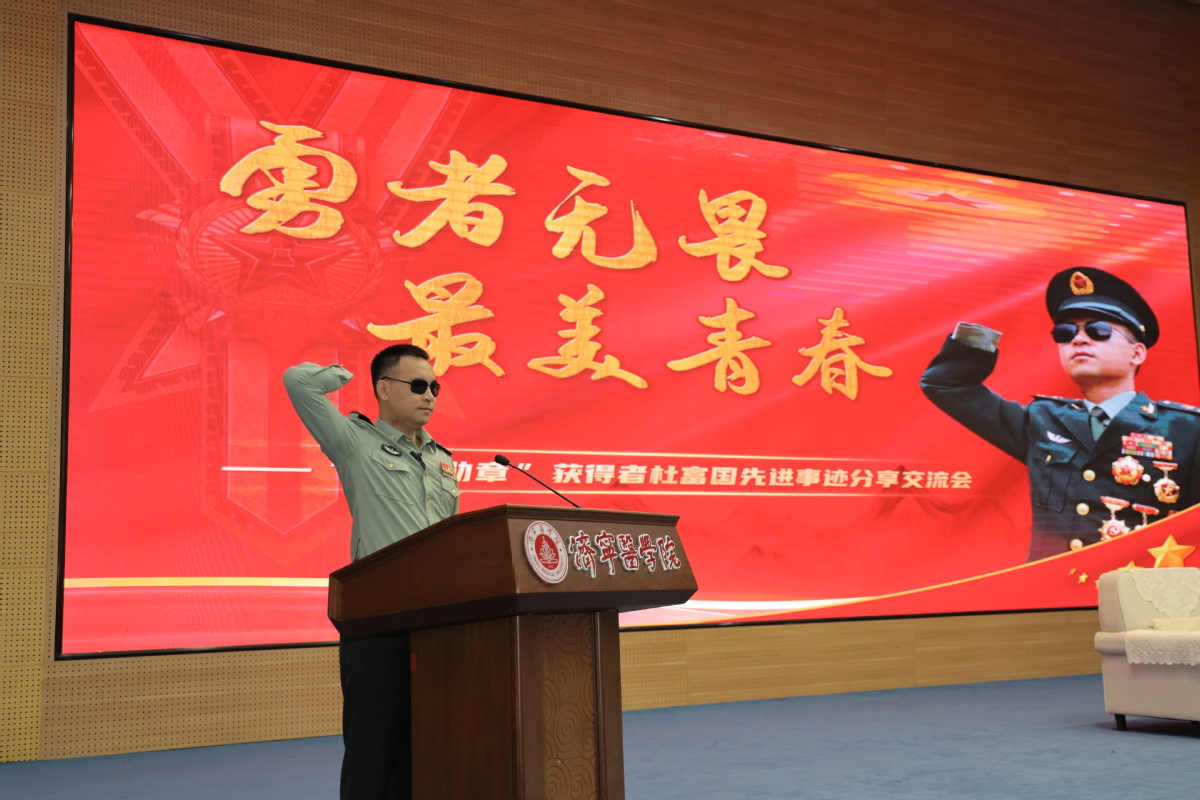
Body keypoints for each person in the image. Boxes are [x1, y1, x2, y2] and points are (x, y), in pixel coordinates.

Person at [921, 266, 1200, 561]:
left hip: (1138, 585)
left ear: (1137, 353)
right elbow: (946, 384)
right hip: (1052, 587)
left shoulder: (1186, 428)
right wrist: (977, 338)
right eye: (1065, 333)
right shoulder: (1043, 420)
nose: (1078, 340)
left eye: (1098, 330)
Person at [283, 344, 460, 800]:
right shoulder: (353, 441)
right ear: (383, 389)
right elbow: (297, 381)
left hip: (436, 620)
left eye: (434, 387)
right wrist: (341, 374)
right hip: (379, 617)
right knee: (372, 749)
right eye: (417, 385)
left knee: (422, 749)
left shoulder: (442, 459)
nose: (429, 395)